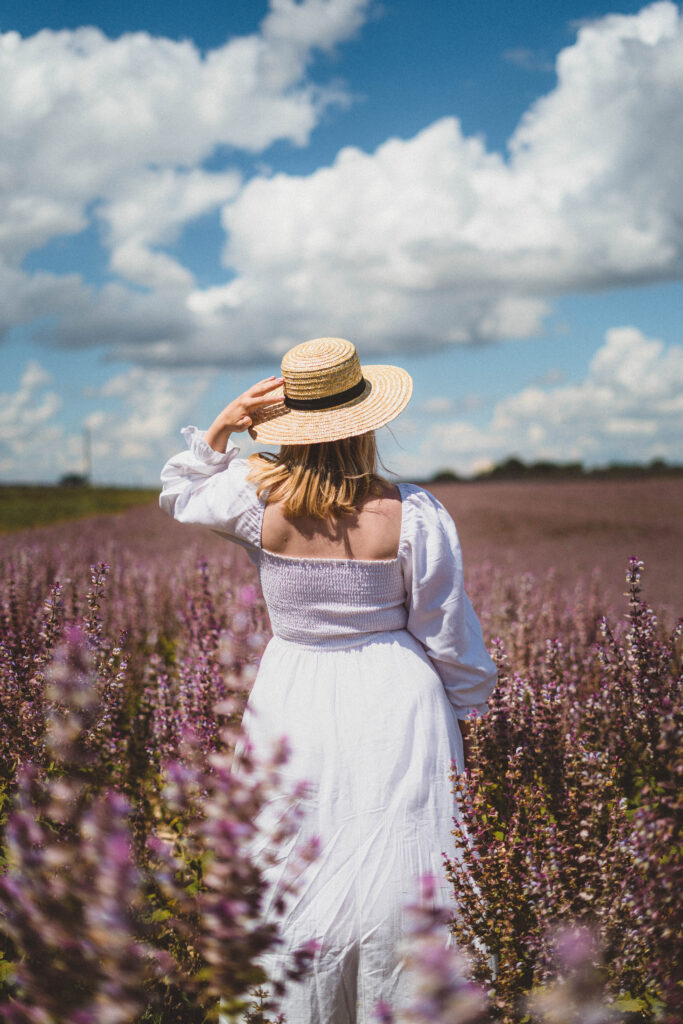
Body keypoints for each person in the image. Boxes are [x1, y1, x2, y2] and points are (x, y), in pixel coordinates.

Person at [159, 337, 497, 1024]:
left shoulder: (255, 500)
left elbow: (180, 491)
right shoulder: (409, 513)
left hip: (291, 694)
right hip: (397, 696)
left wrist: (224, 422)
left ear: (289, 426)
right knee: (405, 860)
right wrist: (468, 710)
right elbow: (445, 632)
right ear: (366, 423)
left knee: (289, 853)